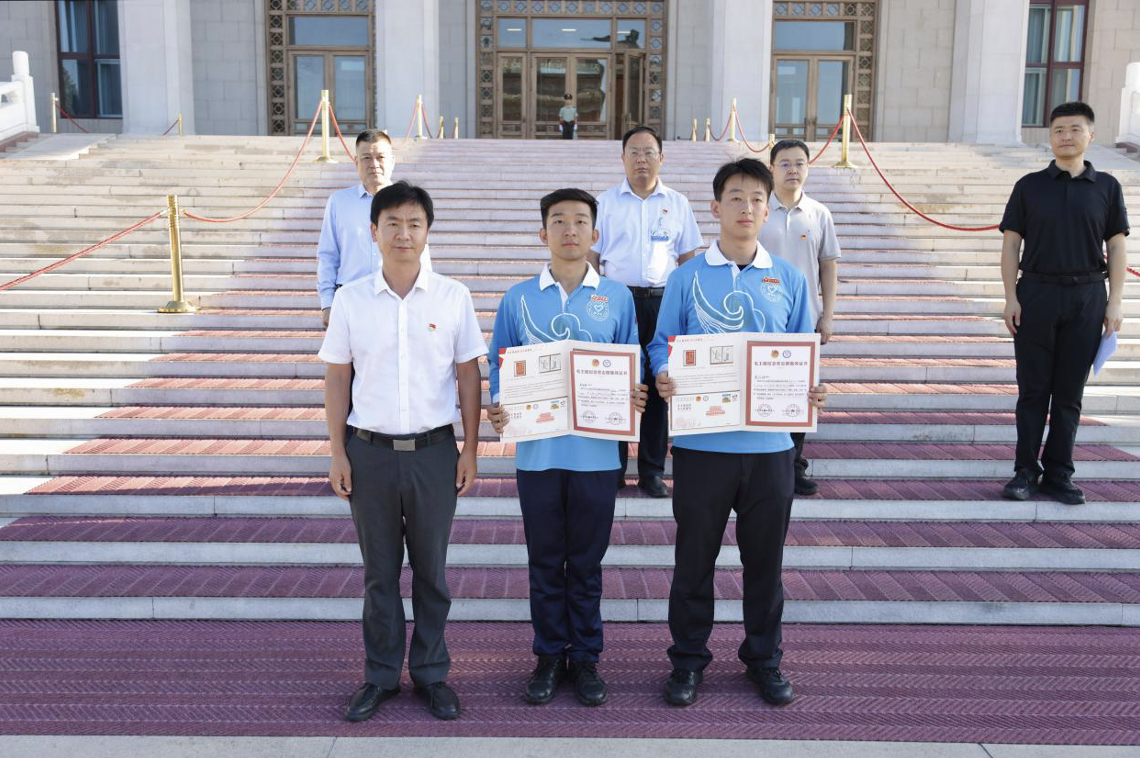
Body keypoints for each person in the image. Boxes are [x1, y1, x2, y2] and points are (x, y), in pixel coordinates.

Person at [647, 158, 828, 708]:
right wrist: (664, 372)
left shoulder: (789, 278)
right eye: (735, 197)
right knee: (693, 563)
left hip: (770, 449)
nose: (746, 208)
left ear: (767, 210)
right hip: (702, 447)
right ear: (715, 207)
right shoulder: (686, 277)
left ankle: (764, 660)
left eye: (756, 199)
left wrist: (811, 388)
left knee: (765, 566)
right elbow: (661, 343)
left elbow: (802, 350)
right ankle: (687, 662)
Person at [319, 181, 486, 722]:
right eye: (392, 223)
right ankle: (381, 674)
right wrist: (338, 452)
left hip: (435, 453)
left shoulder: (452, 296)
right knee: (380, 574)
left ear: (428, 232)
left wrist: (470, 448)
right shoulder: (351, 300)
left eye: (414, 223)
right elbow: (338, 378)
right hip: (368, 453)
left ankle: (432, 673)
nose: (403, 233)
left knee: (432, 572)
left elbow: (468, 376)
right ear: (373, 232)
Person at [488, 188, 647, 707]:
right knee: (544, 561)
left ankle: (586, 657)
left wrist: (635, 393)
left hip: (596, 455)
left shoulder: (617, 297)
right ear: (543, 233)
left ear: (595, 234)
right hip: (538, 454)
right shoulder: (518, 298)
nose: (570, 229)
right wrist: (499, 404)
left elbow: (631, 360)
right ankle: (548, 655)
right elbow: (499, 363)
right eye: (559, 220)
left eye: (580, 220)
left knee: (586, 564)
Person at [999, 101, 1129, 506]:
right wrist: (1010, 296)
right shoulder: (1029, 186)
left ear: (1091, 135)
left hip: (1087, 296)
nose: (1066, 136)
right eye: (1058, 130)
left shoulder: (1107, 187)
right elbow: (1011, 245)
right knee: (1033, 391)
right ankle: (1025, 471)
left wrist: (1115, 302)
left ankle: (1059, 474)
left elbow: (1117, 247)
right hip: (1036, 294)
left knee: (1070, 393)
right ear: (1050, 137)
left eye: (1074, 129)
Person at [588, 126, 704, 497]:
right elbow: (592, 258)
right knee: (614, 383)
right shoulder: (605, 203)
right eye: (634, 152)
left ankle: (652, 471)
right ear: (622, 158)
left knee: (658, 382)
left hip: (663, 301)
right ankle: (613, 468)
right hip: (616, 301)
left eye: (649, 152)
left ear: (661, 158)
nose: (641, 159)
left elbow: (688, 259)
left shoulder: (678, 203)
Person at [758, 139, 841, 497]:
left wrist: (828, 315)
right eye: (785, 163)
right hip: (761, 320)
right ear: (771, 168)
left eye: (800, 163)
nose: (793, 170)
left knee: (800, 394)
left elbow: (828, 266)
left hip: (804, 319)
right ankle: (764, 464)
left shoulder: (819, 213)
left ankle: (794, 465)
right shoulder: (759, 210)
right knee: (762, 389)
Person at [317, 129, 432, 328]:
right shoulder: (339, 202)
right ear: (356, 163)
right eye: (366, 158)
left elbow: (421, 253)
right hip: (351, 300)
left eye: (380, 157)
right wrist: (327, 303)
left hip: (398, 298)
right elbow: (328, 256)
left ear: (392, 161)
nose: (374, 164)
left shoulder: (410, 202)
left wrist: (426, 299)